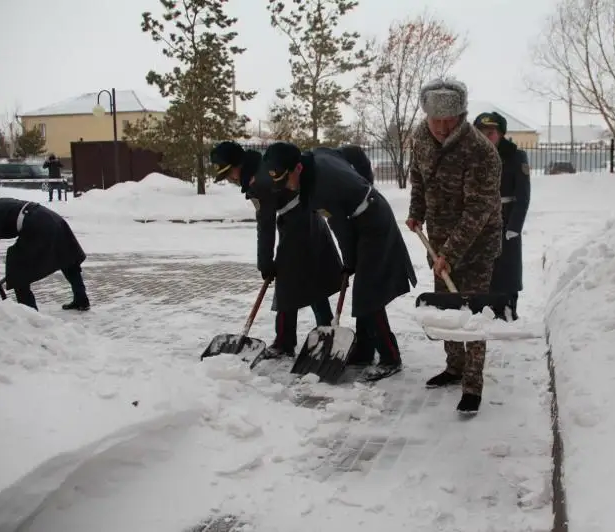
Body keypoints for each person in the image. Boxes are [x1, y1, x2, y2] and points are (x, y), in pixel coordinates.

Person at [251, 141, 417, 382]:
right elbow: (355, 151)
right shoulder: (316, 154)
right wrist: (362, 183)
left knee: (368, 292)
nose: (286, 186)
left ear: (297, 168)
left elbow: (340, 227)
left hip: (374, 221)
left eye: (285, 180)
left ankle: (390, 357)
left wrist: (348, 261)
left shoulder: (319, 189)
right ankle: (364, 351)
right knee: (364, 293)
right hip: (359, 217)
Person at [406, 78, 502, 414]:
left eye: (451, 121)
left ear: (462, 116)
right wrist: (416, 212)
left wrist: (451, 252)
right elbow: (418, 176)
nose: (443, 128)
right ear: (426, 116)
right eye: (437, 121)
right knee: (447, 307)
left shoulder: (480, 151)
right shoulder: (419, 137)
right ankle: (454, 366)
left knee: (471, 312)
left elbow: (480, 210)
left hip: (476, 243)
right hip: (440, 240)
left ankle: (473, 384)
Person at [210, 141, 342, 358]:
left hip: (298, 226)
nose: (230, 180)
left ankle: (284, 341)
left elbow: (266, 224)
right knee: (311, 278)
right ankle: (325, 330)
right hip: (310, 219)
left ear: (237, 166)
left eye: (228, 174)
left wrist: (266, 262)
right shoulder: (264, 166)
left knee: (286, 284)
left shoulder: (259, 181)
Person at [473, 112, 531, 318]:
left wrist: (514, 227)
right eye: (481, 133)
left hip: (506, 217)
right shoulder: (472, 156)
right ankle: (485, 310)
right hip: (480, 219)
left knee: (507, 268)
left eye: (491, 133)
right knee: (484, 267)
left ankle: (507, 310)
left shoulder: (515, 156)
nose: (486, 137)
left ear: (500, 134)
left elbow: (523, 196)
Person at [0, 197, 90, 311]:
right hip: (49, 217)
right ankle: (81, 299)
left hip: (34, 222)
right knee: (66, 257)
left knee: (17, 265)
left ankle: (30, 312)